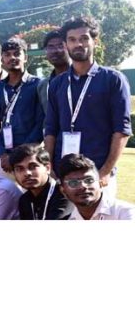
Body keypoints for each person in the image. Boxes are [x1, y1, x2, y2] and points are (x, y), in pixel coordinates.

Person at [44, 16, 132, 199]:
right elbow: (51, 129)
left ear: (95, 41)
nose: (78, 44)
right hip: (64, 173)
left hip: (97, 172)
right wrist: (49, 166)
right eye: (72, 39)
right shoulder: (57, 84)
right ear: (66, 44)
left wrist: (106, 171)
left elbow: (122, 130)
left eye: (84, 38)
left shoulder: (113, 80)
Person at [0, 38, 45, 175]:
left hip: (30, 155)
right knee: (7, 195)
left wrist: (19, 154)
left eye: (16, 54)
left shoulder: (38, 84)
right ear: (2, 59)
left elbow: (41, 123)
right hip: (4, 157)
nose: (12, 57)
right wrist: (2, 154)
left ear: (25, 57)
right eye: (7, 55)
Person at [57, 153, 135, 220]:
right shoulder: (68, 220)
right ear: (63, 191)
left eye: (89, 180)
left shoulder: (125, 214)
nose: (83, 186)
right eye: (73, 183)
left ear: (100, 184)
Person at [9, 143, 72, 220]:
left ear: (48, 168)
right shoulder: (24, 200)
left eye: (33, 166)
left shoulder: (64, 195)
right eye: (20, 169)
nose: (27, 173)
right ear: (14, 173)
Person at [37, 30, 70, 119]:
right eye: (50, 47)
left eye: (60, 46)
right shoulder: (43, 86)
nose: (55, 51)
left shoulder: (81, 78)